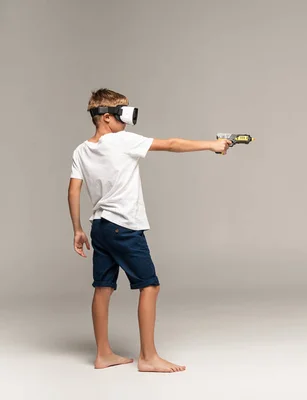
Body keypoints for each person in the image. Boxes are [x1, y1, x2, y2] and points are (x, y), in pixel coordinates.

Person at [67, 88, 231, 372]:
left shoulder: (81, 150)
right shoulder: (122, 140)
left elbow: (73, 190)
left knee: (103, 288)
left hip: (100, 228)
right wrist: (212, 144)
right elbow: (172, 144)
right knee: (149, 286)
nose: (127, 119)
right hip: (125, 227)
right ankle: (148, 357)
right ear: (106, 118)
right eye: (122, 113)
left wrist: (77, 229)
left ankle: (103, 354)